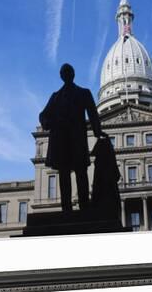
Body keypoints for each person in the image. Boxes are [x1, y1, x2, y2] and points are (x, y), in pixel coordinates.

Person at [39, 63, 105, 212]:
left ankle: (84, 207)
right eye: (64, 73)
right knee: (64, 176)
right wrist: (48, 123)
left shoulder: (83, 93)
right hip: (61, 142)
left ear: (73, 74)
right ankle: (66, 208)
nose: (66, 75)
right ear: (62, 76)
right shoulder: (55, 97)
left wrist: (97, 131)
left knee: (81, 174)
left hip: (77, 140)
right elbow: (43, 115)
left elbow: (93, 114)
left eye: (68, 72)